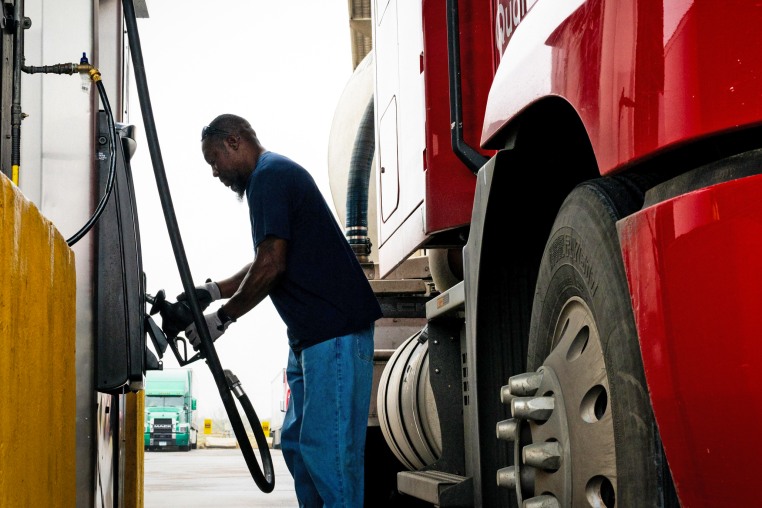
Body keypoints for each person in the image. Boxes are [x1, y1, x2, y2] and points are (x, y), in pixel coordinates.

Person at [177, 113, 383, 508]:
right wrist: (211, 291)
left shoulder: (270, 176)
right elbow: (264, 258)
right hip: (309, 339)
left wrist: (222, 318)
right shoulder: (268, 178)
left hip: (333, 334)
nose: (215, 172)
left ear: (234, 141)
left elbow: (272, 264)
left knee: (331, 457)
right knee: (300, 448)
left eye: (214, 159)